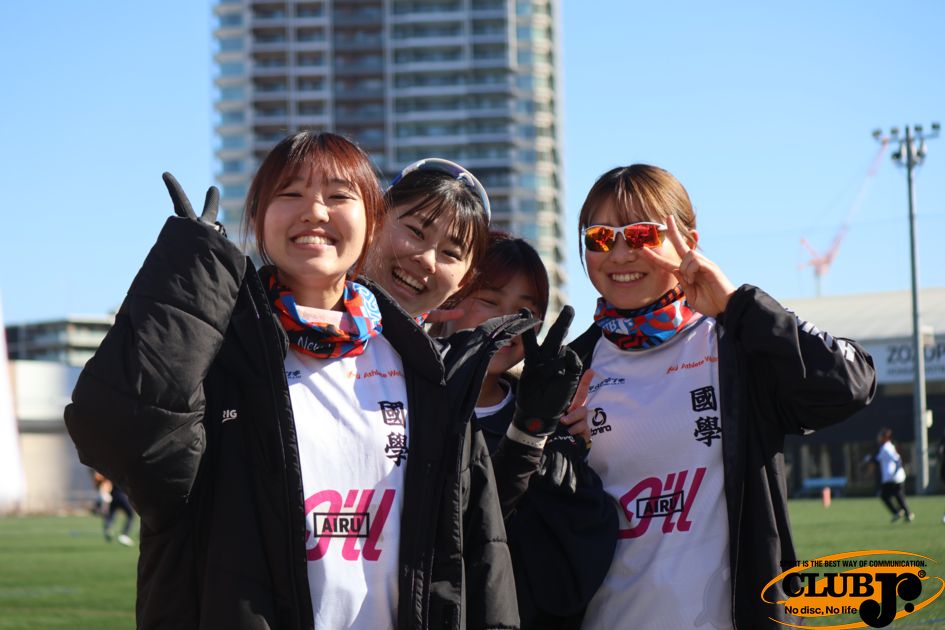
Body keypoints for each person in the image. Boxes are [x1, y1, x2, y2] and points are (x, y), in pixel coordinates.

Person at [64, 132, 534, 629]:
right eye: (290, 193)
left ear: (370, 222)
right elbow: (124, 445)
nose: (314, 211)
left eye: (338, 196)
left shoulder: (428, 372)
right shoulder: (219, 344)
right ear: (258, 217)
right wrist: (185, 280)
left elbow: (478, 551)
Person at [554, 164, 876, 629]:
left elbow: (850, 383)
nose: (620, 254)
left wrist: (736, 305)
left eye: (642, 234)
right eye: (601, 238)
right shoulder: (569, 368)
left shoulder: (736, 341)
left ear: (688, 241)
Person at [435, 232, 617, 629]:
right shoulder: (408, 401)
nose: (508, 322)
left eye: (525, 311)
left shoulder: (548, 419)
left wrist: (562, 450)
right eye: (489, 301)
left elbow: (573, 574)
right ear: (450, 300)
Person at [876, 428, 913, 522]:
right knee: (897, 495)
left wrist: (896, 472)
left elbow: (897, 460)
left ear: (885, 437)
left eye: (881, 436)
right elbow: (877, 459)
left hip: (893, 477)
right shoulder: (886, 447)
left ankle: (901, 512)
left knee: (886, 495)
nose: (879, 438)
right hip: (892, 477)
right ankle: (905, 513)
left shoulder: (886, 448)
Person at [93, 471, 135, 546]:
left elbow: (101, 480)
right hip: (122, 496)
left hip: (112, 496)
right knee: (130, 514)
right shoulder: (123, 472)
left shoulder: (110, 472)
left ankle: (108, 528)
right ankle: (124, 535)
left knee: (111, 514)